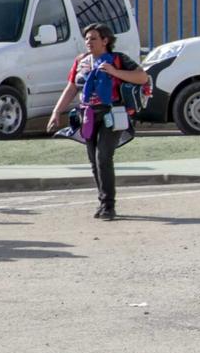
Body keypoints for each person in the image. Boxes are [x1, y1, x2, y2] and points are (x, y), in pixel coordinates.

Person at [47, 23, 150, 220]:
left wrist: (113, 71)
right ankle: (103, 202)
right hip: (88, 115)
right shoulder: (81, 61)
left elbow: (142, 77)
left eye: (93, 38)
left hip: (112, 113)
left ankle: (109, 205)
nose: (88, 42)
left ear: (105, 41)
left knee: (103, 157)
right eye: (86, 39)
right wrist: (56, 112)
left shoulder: (118, 59)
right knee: (94, 161)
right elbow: (71, 88)